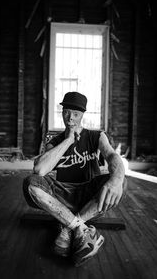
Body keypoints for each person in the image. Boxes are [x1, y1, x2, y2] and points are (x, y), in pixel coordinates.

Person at [23, 91, 126, 267]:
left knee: (121, 181)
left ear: (82, 115)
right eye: (67, 112)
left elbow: (112, 156)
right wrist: (69, 140)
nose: (70, 118)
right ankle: (83, 229)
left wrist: (116, 179)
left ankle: (68, 225)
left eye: (76, 114)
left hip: (89, 195)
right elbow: (40, 169)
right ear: (62, 112)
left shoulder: (96, 136)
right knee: (30, 183)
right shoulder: (55, 141)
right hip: (62, 194)